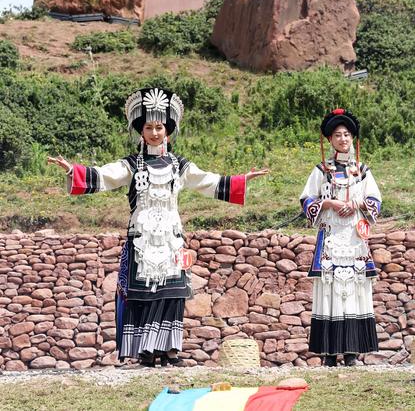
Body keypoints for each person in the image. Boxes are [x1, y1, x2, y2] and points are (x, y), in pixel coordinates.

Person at [47, 87, 268, 367]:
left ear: (168, 131)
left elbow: (208, 181)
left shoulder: (180, 165)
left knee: (172, 293)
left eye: (159, 127)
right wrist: (72, 170)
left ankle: (170, 349)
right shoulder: (132, 164)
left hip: (171, 239)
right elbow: (104, 175)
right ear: (141, 131)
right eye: (149, 127)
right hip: (142, 239)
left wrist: (241, 180)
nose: (154, 132)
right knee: (145, 294)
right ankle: (147, 350)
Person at [299, 108, 382, 367]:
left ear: (352, 138)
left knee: (355, 291)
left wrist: (357, 204)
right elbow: (306, 200)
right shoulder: (321, 171)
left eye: (346, 134)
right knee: (330, 291)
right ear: (330, 140)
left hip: (355, 239)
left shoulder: (363, 171)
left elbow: (376, 200)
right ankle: (329, 353)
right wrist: (329, 203)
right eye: (337, 135)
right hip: (332, 238)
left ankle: (351, 352)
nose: (343, 139)